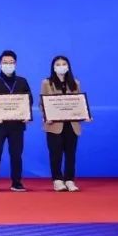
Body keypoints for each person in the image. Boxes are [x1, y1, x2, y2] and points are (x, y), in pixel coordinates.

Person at [0, 50, 32, 192]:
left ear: (15, 64)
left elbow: (29, 100)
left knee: (16, 154)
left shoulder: (22, 81)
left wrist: (26, 114)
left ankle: (17, 182)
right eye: (5, 62)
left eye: (11, 62)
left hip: (17, 125)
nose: (8, 65)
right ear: (0, 64)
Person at [41, 55, 84, 192]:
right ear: (53, 67)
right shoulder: (47, 83)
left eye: (64, 64)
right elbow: (42, 103)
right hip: (54, 125)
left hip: (71, 124)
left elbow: (79, 102)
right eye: (58, 64)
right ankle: (58, 180)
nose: (61, 67)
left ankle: (70, 180)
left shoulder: (75, 83)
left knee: (71, 154)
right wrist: (46, 116)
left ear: (68, 67)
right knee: (55, 153)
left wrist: (84, 114)